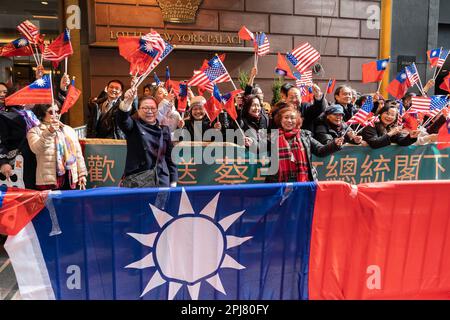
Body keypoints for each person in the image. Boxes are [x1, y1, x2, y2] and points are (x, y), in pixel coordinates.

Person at [0, 75, 70, 189]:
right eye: (24, 94)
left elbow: (53, 108)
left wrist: (62, 89)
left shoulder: (32, 114)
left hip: (38, 161)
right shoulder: (5, 116)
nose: (28, 97)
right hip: (19, 162)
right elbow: (1, 140)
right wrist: (3, 162)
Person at [116, 88, 178, 188]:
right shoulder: (133, 126)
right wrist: (127, 102)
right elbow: (122, 120)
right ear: (138, 110)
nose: (149, 111)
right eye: (145, 108)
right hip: (137, 181)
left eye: (153, 108)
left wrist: (173, 181)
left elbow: (170, 158)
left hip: (161, 181)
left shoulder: (164, 130)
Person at [266, 104, 344, 182]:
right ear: (280, 120)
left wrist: (334, 144)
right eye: (286, 118)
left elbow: (320, 150)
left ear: (297, 121)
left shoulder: (305, 135)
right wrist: (253, 142)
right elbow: (258, 149)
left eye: (292, 118)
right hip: (279, 181)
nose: (289, 121)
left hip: (303, 180)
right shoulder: (272, 137)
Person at [27, 103, 87, 190]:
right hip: (48, 181)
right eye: (51, 112)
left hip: (70, 178)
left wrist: (81, 174)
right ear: (42, 114)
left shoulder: (68, 129)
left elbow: (77, 153)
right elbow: (36, 149)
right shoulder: (34, 131)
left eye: (57, 111)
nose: (56, 114)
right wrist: (49, 132)